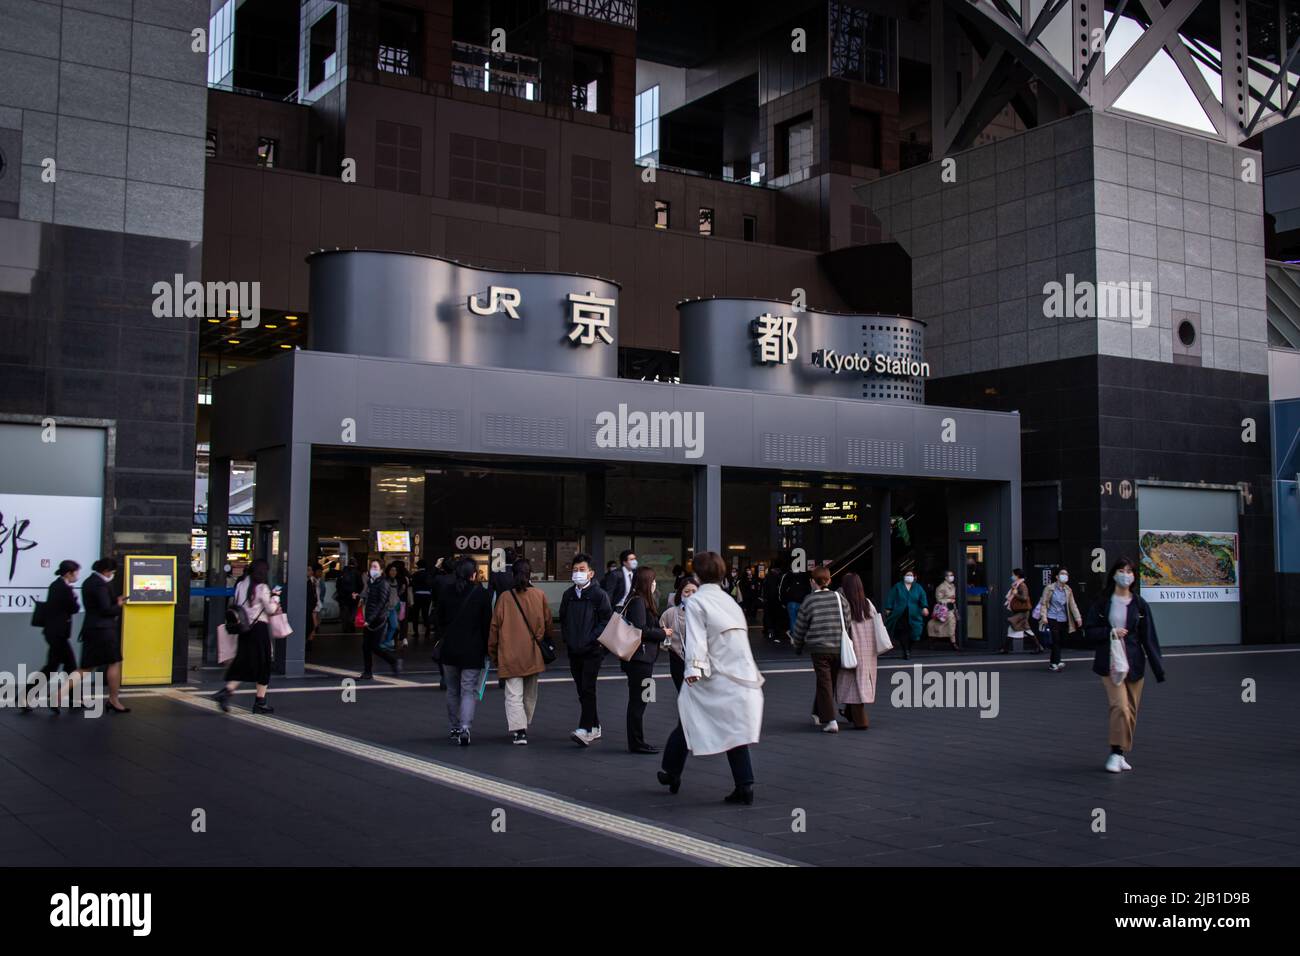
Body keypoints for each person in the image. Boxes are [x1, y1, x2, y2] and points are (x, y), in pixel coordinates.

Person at [658, 551, 763, 804]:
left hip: (712, 672)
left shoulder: (696, 602)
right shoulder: (730, 602)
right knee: (733, 728)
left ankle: (671, 772)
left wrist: (693, 669)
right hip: (740, 672)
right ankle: (744, 784)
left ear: (697, 574)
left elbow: (695, 639)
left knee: (688, 716)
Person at [1083, 557, 1166, 772]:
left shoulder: (1139, 604)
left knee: (1130, 710)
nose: (1126, 575)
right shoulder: (1103, 602)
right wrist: (1110, 632)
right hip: (1109, 662)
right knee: (1119, 706)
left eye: (1130, 571)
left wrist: (1158, 668)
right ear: (1113, 574)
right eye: (1121, 570)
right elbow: (1089, 631)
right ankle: (1115, 752)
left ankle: (1120, 752)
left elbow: (1149, 637)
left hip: (1134, 662)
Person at [488, 558, 552, 744]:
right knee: (530, 694)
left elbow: (494, 628)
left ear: (513, 575)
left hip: (509, 653)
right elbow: (548, 624)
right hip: (533, 652)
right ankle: (524, 721)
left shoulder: (505, 598)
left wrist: (493, 653)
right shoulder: (539, 595)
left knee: (513, 694)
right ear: (530, 573)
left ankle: (519, 729)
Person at [435, 556, 493, 745]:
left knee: (452, 690)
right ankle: (465, 728)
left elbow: (438, 619)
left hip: (450, 649)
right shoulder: (482, 594)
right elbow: (487, 625)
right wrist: (487, 648)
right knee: (468, 690)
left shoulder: (446, 591)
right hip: (473, 650)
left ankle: (454, 726)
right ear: (474, 574)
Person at [560, 553, 612, 747]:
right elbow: (563, 619)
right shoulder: (569, 595)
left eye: (582, 570)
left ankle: (585, 729)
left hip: (592, 650)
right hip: (574, 650)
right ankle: (595, 725)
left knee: (588, 688)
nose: (578, 573)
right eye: (575, 570)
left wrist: (593, 639)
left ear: (591, 573)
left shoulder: (599, 595)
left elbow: (606, 620)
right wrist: (568, 639)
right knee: (582, 689)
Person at [213, 558, 278, 714]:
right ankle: (260, 702)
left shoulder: (241, 585)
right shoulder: (262, 588)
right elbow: (270, 610)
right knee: (264, 664)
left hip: (244, 629)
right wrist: (275, 597)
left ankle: (226, 692)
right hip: (259, 630)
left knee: (243, 662)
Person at [791, 565, 849, 733]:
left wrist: (798, 645)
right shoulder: (839, 598)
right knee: (827, 681)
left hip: (819, 648)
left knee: (824, 682)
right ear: (829, 580)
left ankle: (831, 721)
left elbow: (800, 626)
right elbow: (847, 620)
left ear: (812, 581)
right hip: (838, 647)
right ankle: (817, 713)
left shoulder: (809, 600)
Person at [620, 565, 671, 754]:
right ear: (646, 582)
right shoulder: (638, 602)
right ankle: (636, 742)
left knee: (641, 699)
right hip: (640, 659)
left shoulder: (637, 600)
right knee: (639, 701)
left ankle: (637, 740)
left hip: (640, 659)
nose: (655, 583)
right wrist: (662, 633)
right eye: (654, 579)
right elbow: (641, 630)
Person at [21, 560, 81, 714]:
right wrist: (73, 596)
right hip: (58, 634)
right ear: (69, 573)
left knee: (55, 666)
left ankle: (68, 699)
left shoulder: (57, 585)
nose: (77, 576)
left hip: (54, 633)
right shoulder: (63, 588)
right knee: (67, 667)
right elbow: (74, 608)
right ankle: (60, 698)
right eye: (76, 572)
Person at [834, 572, 879, 730]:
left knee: (851, 682)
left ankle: (860, 720)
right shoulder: (867, 604)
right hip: (868, 650)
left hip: (851, 648)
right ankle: (849, 712)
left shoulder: (844, 604)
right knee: (861, 680)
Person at [359, 559, 401, 679]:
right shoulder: (372, 582)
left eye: (375, 567)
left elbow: (381, 603)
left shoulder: (384, 583)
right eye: (371, 567)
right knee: (366, 646)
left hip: (378, 619)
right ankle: (367, 671)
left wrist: (370, 619)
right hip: (370, 618)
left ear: (382, 570)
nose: (372, 569)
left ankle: (393, 662)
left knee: (374, 646)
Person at [1037, 565, 1083, 672]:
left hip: (1063, 618)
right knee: (1056, 640)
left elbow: (1073, 605)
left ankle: (1054, 662)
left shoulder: (1068, 590)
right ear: (1057, 577)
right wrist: (1044, 616)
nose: (1065, 576)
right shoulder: (1049, 588)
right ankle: (1056, 662)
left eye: (1066, 574)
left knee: (1060, 640)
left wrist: (1078, 617)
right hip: (1051, 617)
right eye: (1062, 574)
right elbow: (1043, 603)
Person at [660, 574, 699, 695]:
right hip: (677, 659)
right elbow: (662, 630)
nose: (690, 594)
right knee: (683, 693)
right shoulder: (670, 613)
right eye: (686, 591)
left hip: (699, 660)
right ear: (680, 593)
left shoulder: (704, 612)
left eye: (694, 591)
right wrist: (667, 641)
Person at [883, 570, 929, 660]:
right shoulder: (898, 586)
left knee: (916, 632)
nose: (909, 577)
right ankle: (906, 651)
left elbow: (923, 597)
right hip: (900, 613)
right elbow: (891, 597)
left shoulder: (918, 587)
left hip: (914, 614)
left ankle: (909, 648)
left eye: (911, 575)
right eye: (907, 575)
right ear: (903, 576)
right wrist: (888, 608)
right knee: (903, 632)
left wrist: (924, 607)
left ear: (914, 577)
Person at [1002, 568, 1038, 654]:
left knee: (1013, 627)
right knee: (1023, 629)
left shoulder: (1022, 585)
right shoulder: (1016, 585)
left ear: (1017, 575)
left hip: (1023, 612)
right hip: (1020, 611)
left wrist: (1015, 594)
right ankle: (1038, 646)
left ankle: (1005, 648)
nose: (1012, 576)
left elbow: (1024, 598)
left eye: (1013, 574)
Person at [929, 569, 959, 651]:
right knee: (941, 626)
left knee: (952, 626)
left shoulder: (953, 585)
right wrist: (949, 600)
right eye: (950, 575)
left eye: (952, 575)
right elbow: (939, 599)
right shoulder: (941, 587)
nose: (952, 577)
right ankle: (952, 643)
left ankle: (953, 642)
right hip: (945, 610)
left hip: (952, 609)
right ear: (945, 577)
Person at [409, 559, 435, 644]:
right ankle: (427, 630)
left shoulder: (415, 575)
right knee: (425, 614)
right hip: (427, 596)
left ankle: (416, 632)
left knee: (415, 615)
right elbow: (431, 585)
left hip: (417, 595)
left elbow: (412, 586)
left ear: (418, 566)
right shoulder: (428, 574)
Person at [762, 559, 787, 643]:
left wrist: (764, 598)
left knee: (769, 616)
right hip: (777, 600)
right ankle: (776, 632)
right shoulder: (780, 577)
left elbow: (765, 589)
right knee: (777, 617)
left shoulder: (768, 577)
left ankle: (769, 631)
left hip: (769, 600)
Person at [336, 559, 362, 633]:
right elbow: (361, 585)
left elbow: (337, 585)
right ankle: (351, 623)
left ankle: (345, 627)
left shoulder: (342, 572)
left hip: (343, 597)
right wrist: (357, 592)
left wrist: (340, 593)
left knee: (344, 612)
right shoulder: (357, 573)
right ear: (355, 564)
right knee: (353, 611)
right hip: (353, 596)